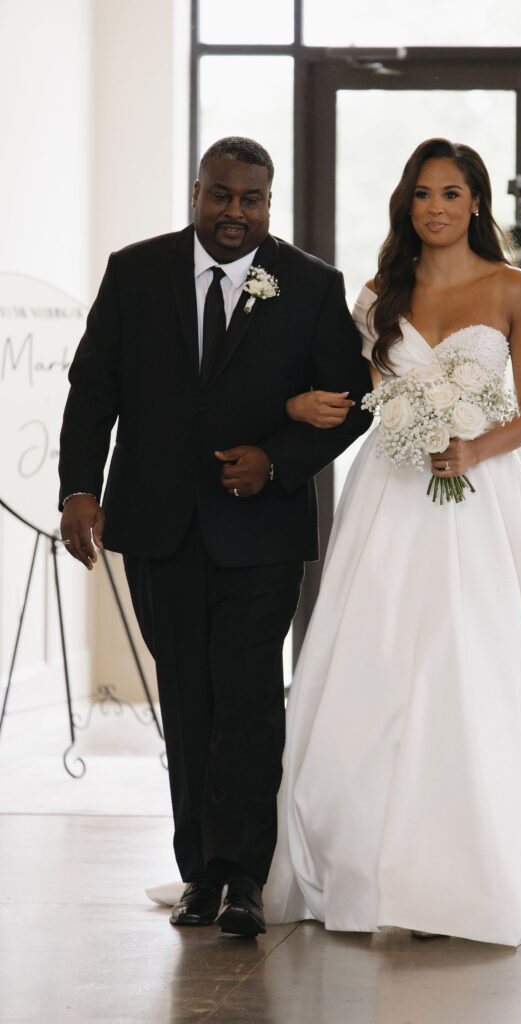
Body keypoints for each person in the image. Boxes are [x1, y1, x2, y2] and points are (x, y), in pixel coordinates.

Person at [261, 138, 521, 945]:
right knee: (378, 657)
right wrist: (311, 407)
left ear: (477, 203)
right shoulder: (382, 293)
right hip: (389, 494)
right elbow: (363, 394)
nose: (436, 208)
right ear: (406, 204)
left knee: (475, 656)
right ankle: (361, 858)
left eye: (452, 193)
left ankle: (483, 861)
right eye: (422, 194)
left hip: (481, 496)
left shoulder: (515, 288)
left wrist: (469, 448)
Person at [58, 136, 372, 937]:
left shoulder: (310, 284)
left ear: (272, 202)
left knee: (249, 701)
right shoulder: (135, 271)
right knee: (189, 700)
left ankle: (242, 879)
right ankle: (198, 873)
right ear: (197, 192)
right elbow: (93, 390)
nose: (236, 213)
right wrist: (79, 490)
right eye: (221, 196)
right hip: (157, 524)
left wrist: (277, 460)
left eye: (252, 200)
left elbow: (351, 399)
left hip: (261, 531)